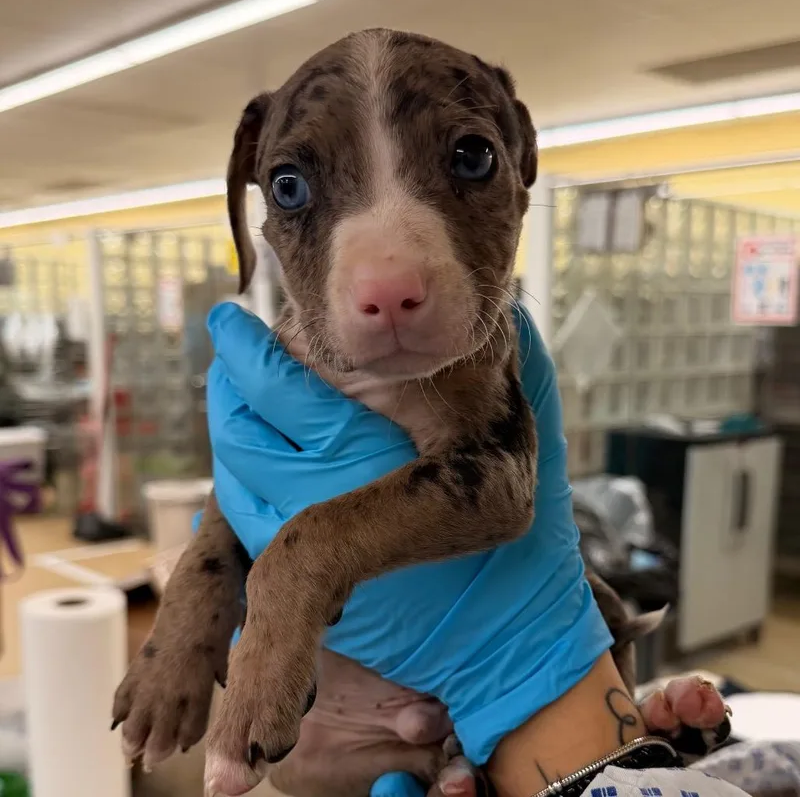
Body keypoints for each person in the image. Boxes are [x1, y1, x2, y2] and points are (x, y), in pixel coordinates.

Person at [204, 301, 735, 797]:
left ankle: (471, 757)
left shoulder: (475, 352)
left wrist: (528, 655)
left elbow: (495, 489)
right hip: (357, 726)